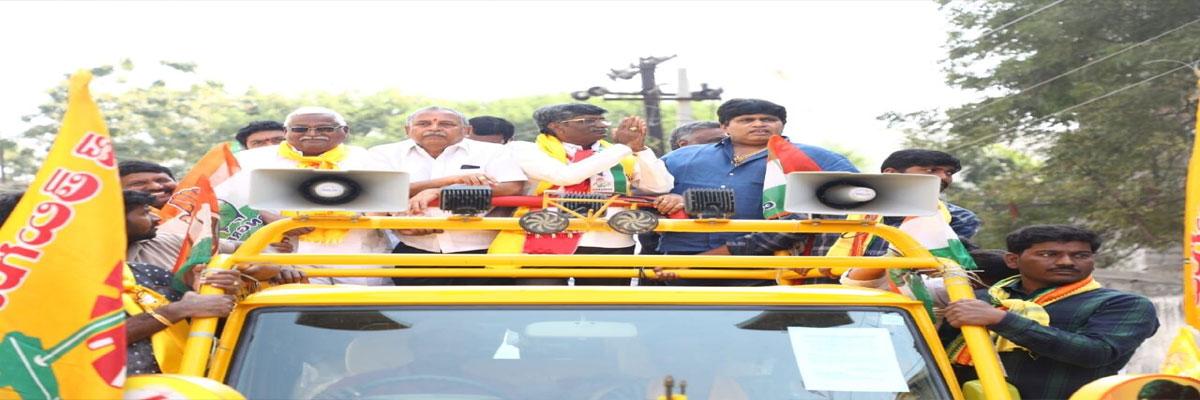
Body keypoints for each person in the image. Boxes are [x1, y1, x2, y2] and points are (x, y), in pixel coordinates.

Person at [940, 225, 1158, 399]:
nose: (1066, 261)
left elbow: (1096, 353)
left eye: (1081, 255)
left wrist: (1002, 320)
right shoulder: (981, 301)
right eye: (1048, 254)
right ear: (1013, 260)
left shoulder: (1124, 304)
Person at [654, 99, 857, 281]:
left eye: (768, 119)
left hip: (774, 263)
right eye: (746, 119)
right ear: (725, 126)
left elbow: (853, 201)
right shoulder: (681, 158)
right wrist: (670, 199)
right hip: (679, 261)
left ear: (782, 125)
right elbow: (643, 197)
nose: (759, 124)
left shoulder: (818, 158)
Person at [216, 106, 393, 286]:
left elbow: (386, 201)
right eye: (301, 129)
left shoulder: (367, 159)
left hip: (357, 251)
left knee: (361, 308)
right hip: (286, 255)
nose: (312, 134)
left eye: (325, 128)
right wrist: (269, 218)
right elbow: (223, 201)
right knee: (298, 308)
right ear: (286, 132)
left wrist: (365, 215)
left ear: (345, 131)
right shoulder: (250, 159)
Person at [369, 106, 526, 285]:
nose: (434, 128)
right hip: (415, 248)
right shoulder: (383, 153)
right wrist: (452, 180)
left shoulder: (492, 152)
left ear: (467, 130)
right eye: (423, 123)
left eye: (446, 123)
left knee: (484, 309)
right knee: (419, 309)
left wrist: (439, 192)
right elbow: (379, 190)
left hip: (484, 251)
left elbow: (512, 187)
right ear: (408, 130)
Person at [507, 103, 673, 270]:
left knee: (604, 297)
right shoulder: (527, 150)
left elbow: (659, 187)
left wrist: (640, 150)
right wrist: (622, 148)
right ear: (556, 126)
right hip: (542, 238)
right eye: (589, 120)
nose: (601, 125)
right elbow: (565, 176)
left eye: (602, 120)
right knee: (546, 296)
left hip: (610, 241)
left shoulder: (617, 153)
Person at [639, 121, 727, 255]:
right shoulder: (659, 168)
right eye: (715, 142)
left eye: (727, 141)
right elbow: (641, 204)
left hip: (730, 253)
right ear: (683, 145)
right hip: (666, 256)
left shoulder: (737, 167)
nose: (724, 146)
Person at [880, 149, 980, 239]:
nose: (944, 177)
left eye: (949, 173)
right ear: (891, 173)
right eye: (931, 170)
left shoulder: (960, 218)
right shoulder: (865, 212)